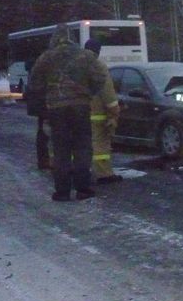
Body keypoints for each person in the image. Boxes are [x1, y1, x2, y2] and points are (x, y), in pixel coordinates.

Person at [28, 24, 110, 201]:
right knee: (82, 147)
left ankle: (62, 191)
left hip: (56, 109)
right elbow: (100, 77)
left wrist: (47, 97)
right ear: (72, 37)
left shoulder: (46, 58)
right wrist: (88, 93)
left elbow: (34, 83)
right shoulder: (85, 56)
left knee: (61, 150)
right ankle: (83, 189)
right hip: (80, 106)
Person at [83, 38, 122, 184]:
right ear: (98, 51)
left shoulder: (75, 64)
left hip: (76, 113)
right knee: (100, 146)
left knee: (79, 144)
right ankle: (104, 174)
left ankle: (76, 171)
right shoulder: (98, 66)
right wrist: (114, 113)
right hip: (96, 115)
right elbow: (108, 94)